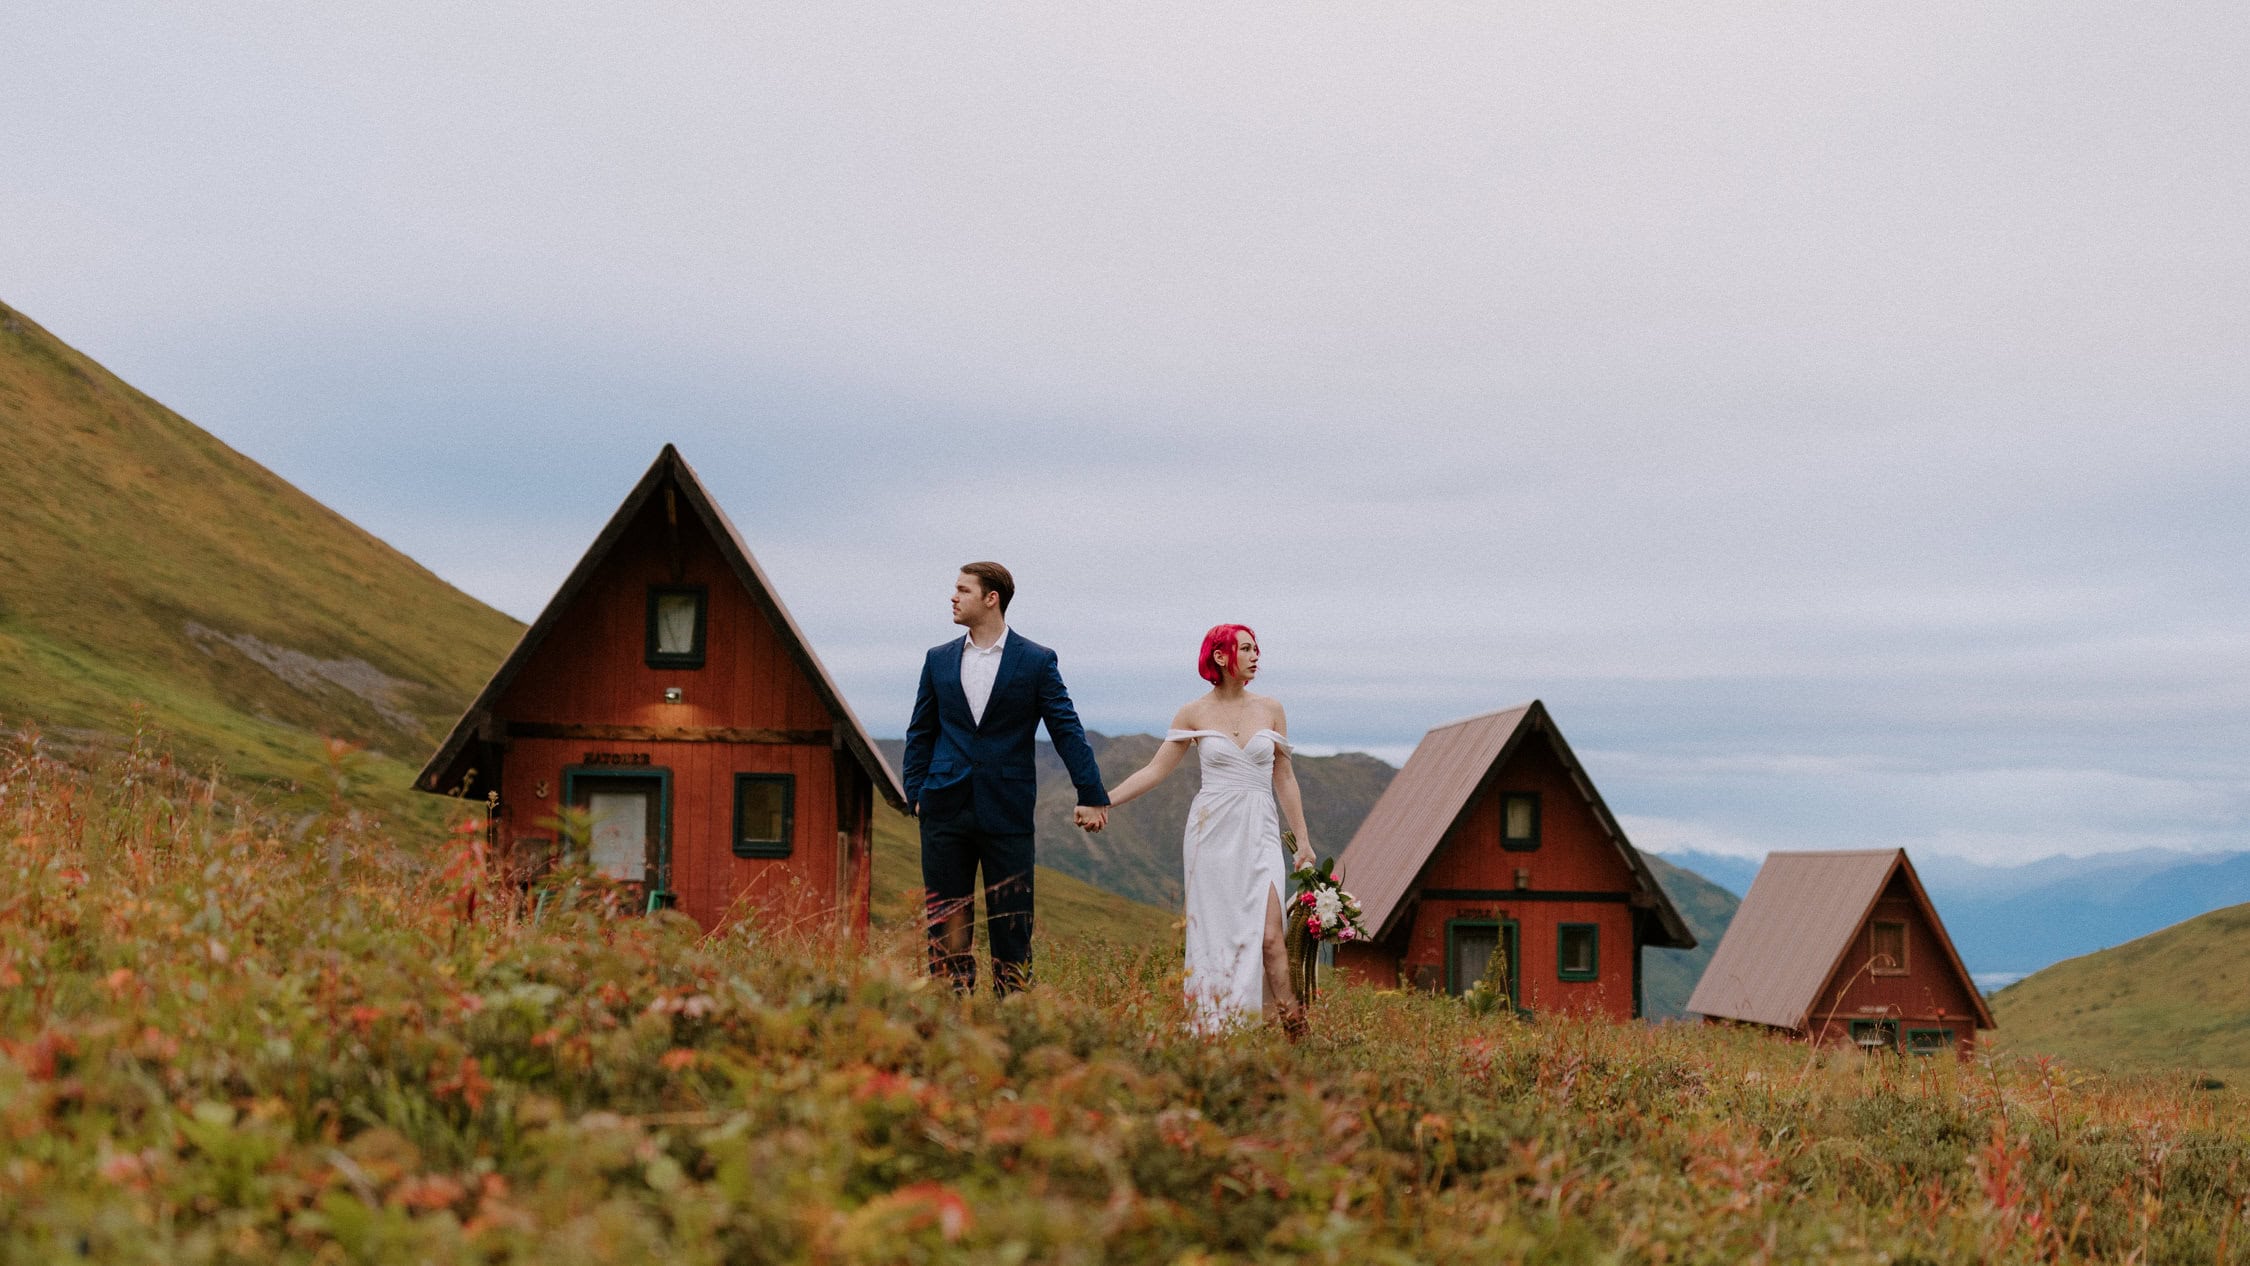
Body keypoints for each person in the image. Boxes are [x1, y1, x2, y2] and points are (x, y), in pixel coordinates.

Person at [902, 562, 1110, 996]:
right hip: (943, 808)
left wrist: (1091, 792)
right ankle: (948, 1015)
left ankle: (1012, 1016)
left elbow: (1065, 728)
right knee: (945, 920)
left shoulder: (1035, 660)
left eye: (962, 590)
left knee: (1012, 923)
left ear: (991, 598)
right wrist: (916, 794)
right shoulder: (937, 659)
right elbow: (921, 731)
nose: (953, 598)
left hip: (1007, 810)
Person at [1098, 623, 1316, 1036]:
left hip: (1261, 829)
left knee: (1271, 937)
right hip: (1210, 834)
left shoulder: (1271, 708)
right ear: (1221, 656)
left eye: (1257, 649)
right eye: (1247, 648)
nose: (1256, 656)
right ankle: (1218, 1031)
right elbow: (1156, 769)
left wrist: (1302, 840)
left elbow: (1284, 777)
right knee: (1215, 938)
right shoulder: (1193, 712)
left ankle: (1294, 1031)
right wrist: (1104, 799)